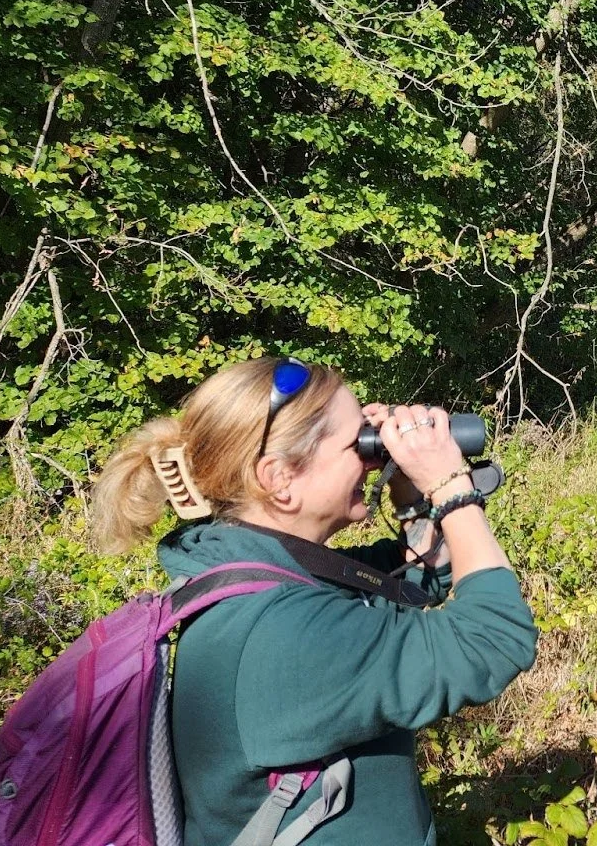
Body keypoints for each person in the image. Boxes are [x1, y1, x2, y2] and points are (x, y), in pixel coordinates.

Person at [88, 357, 538, 846]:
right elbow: (495, 638)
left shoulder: (261, 572)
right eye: (358, 443)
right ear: (278, 479)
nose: (372, 454)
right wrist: (451, 487)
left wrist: (409, 493)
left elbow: (412, 578)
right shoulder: (280, 631)